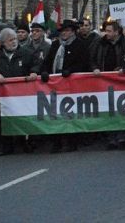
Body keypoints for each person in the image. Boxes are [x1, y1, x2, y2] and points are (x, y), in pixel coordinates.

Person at [0, 28, 39, 155]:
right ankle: (6, 146)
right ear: (3, 43)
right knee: (4, 120)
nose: (13, 42)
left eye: (14, 39)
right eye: (10, 40)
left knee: (24, 118)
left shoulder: (26, 53)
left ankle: (26, 142)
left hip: (23, 94)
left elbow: (36, 64)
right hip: (4, 96)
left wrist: (34, 72)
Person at [41, 19, 91, 152]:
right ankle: (56, 142)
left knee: (70, 113)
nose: (64, 33)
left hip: (72, 84)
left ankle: (72, 141)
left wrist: (71, 70)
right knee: (55, 113)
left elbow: (84, 63)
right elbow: (47, 61)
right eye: (63, 31)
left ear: (73, 32)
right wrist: (44, 72)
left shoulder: (79, 45)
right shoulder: (55, 45)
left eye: (67, 31)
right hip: (55, 84)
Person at [89, 20, 125, 150]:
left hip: (122, 82)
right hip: (104, 81)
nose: (106, 33)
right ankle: (111, 137)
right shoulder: (99, 43)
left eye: (109, 31)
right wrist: (95, 68)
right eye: (105, 30)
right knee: (108, 109)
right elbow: (91, 58)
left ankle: (122, 137)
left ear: (116, 32)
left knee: (122, 109)